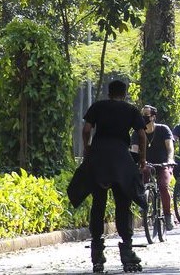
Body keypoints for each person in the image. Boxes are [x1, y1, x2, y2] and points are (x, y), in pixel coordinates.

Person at [77, 80, 147, 273]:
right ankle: (127, 251)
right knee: (123, 204)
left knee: (98, 203)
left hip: (99, 157)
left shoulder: (98, 106)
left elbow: (86, 130)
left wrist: (88, 149)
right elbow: (142, 135)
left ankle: (97, 253)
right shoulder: (131, 109)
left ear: (109, 93)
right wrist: (141, 159)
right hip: (120, 158)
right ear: (124, 94)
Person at [132, 105, 176, 231]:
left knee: (163, 186)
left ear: (153, 117)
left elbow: (170, 147)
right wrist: (135, 161)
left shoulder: (163, 129)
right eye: (142, 115)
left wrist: (170, 160)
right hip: (146, 164)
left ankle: (168, 215)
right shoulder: (137, 132)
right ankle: (144, 199)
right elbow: (134, 149)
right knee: (142, 176)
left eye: (146, 115)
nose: (143, 117)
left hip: (163, 164)